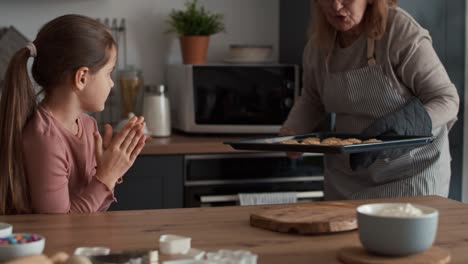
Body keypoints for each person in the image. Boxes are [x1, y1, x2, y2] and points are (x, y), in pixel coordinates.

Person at [281, 0, 459, 200]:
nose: (336, 6)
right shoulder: (318, 46)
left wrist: (404, 125)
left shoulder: (399, 31)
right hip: (346, 179)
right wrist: (292, 133)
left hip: (410, 175)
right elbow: (312, 100)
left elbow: (446, 99)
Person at [0, 14, 146, 214]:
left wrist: (110, 172)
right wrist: (105, 177)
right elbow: (60, 225)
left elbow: (93, 210)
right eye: (108, 73)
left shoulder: (87, 126)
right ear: (82, 77)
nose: (111, 83)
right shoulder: (45, 139)